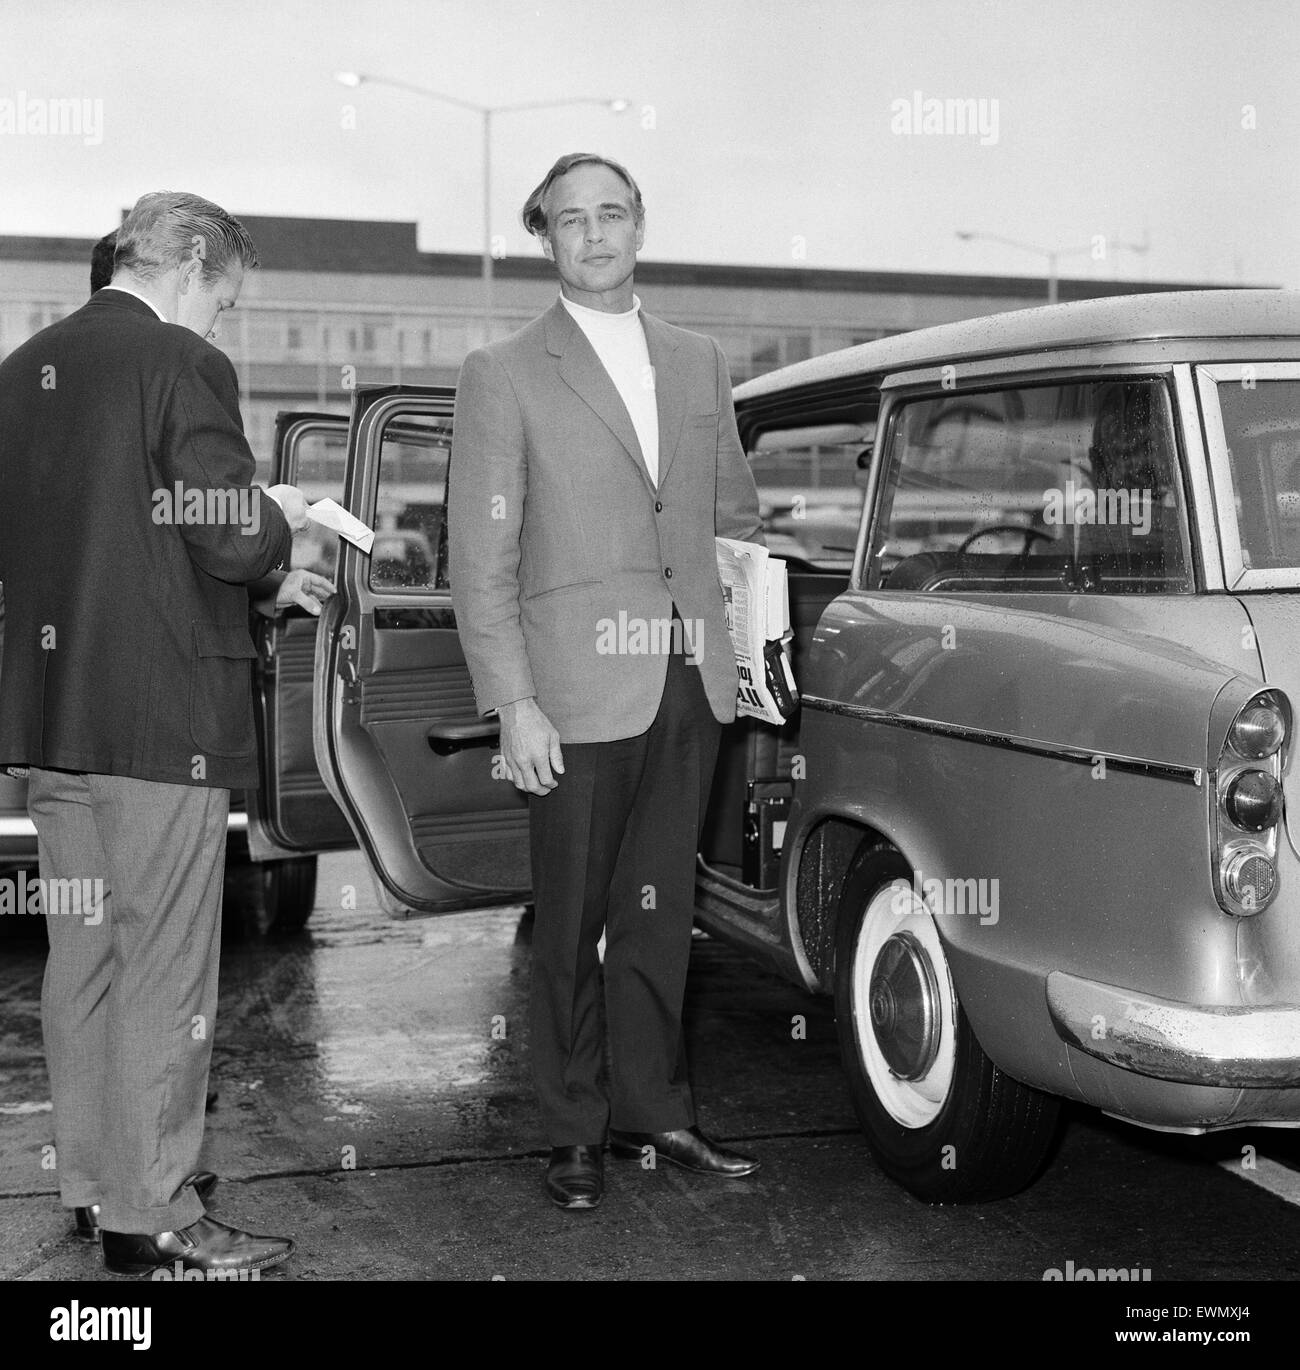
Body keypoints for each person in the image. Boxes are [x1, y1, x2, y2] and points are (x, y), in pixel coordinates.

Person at [450, 153, 764, 1210]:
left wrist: (749, 642)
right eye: (571, 220)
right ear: (544, 236)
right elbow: (479, 561)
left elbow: (734, 523)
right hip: (575, 690)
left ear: (641, 226)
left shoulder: (697, 360)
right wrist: (514, 701)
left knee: (657, 909)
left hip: (688, 676)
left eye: (612, 215)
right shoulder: (504, 370)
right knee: (571, 913)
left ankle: (655, 1110)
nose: (594, 235)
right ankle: (573, 1129)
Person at [0, 191, 306, 1276]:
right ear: (187, 263)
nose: (219, 321)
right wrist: (284, 528)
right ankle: (155, 1213)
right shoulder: (177, 363)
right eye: (222, 299)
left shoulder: (23, 371)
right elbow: (227, 534)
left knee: (83, 958)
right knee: (168, 968)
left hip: (51, 722)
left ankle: (94, 1184)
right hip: (161, 719)